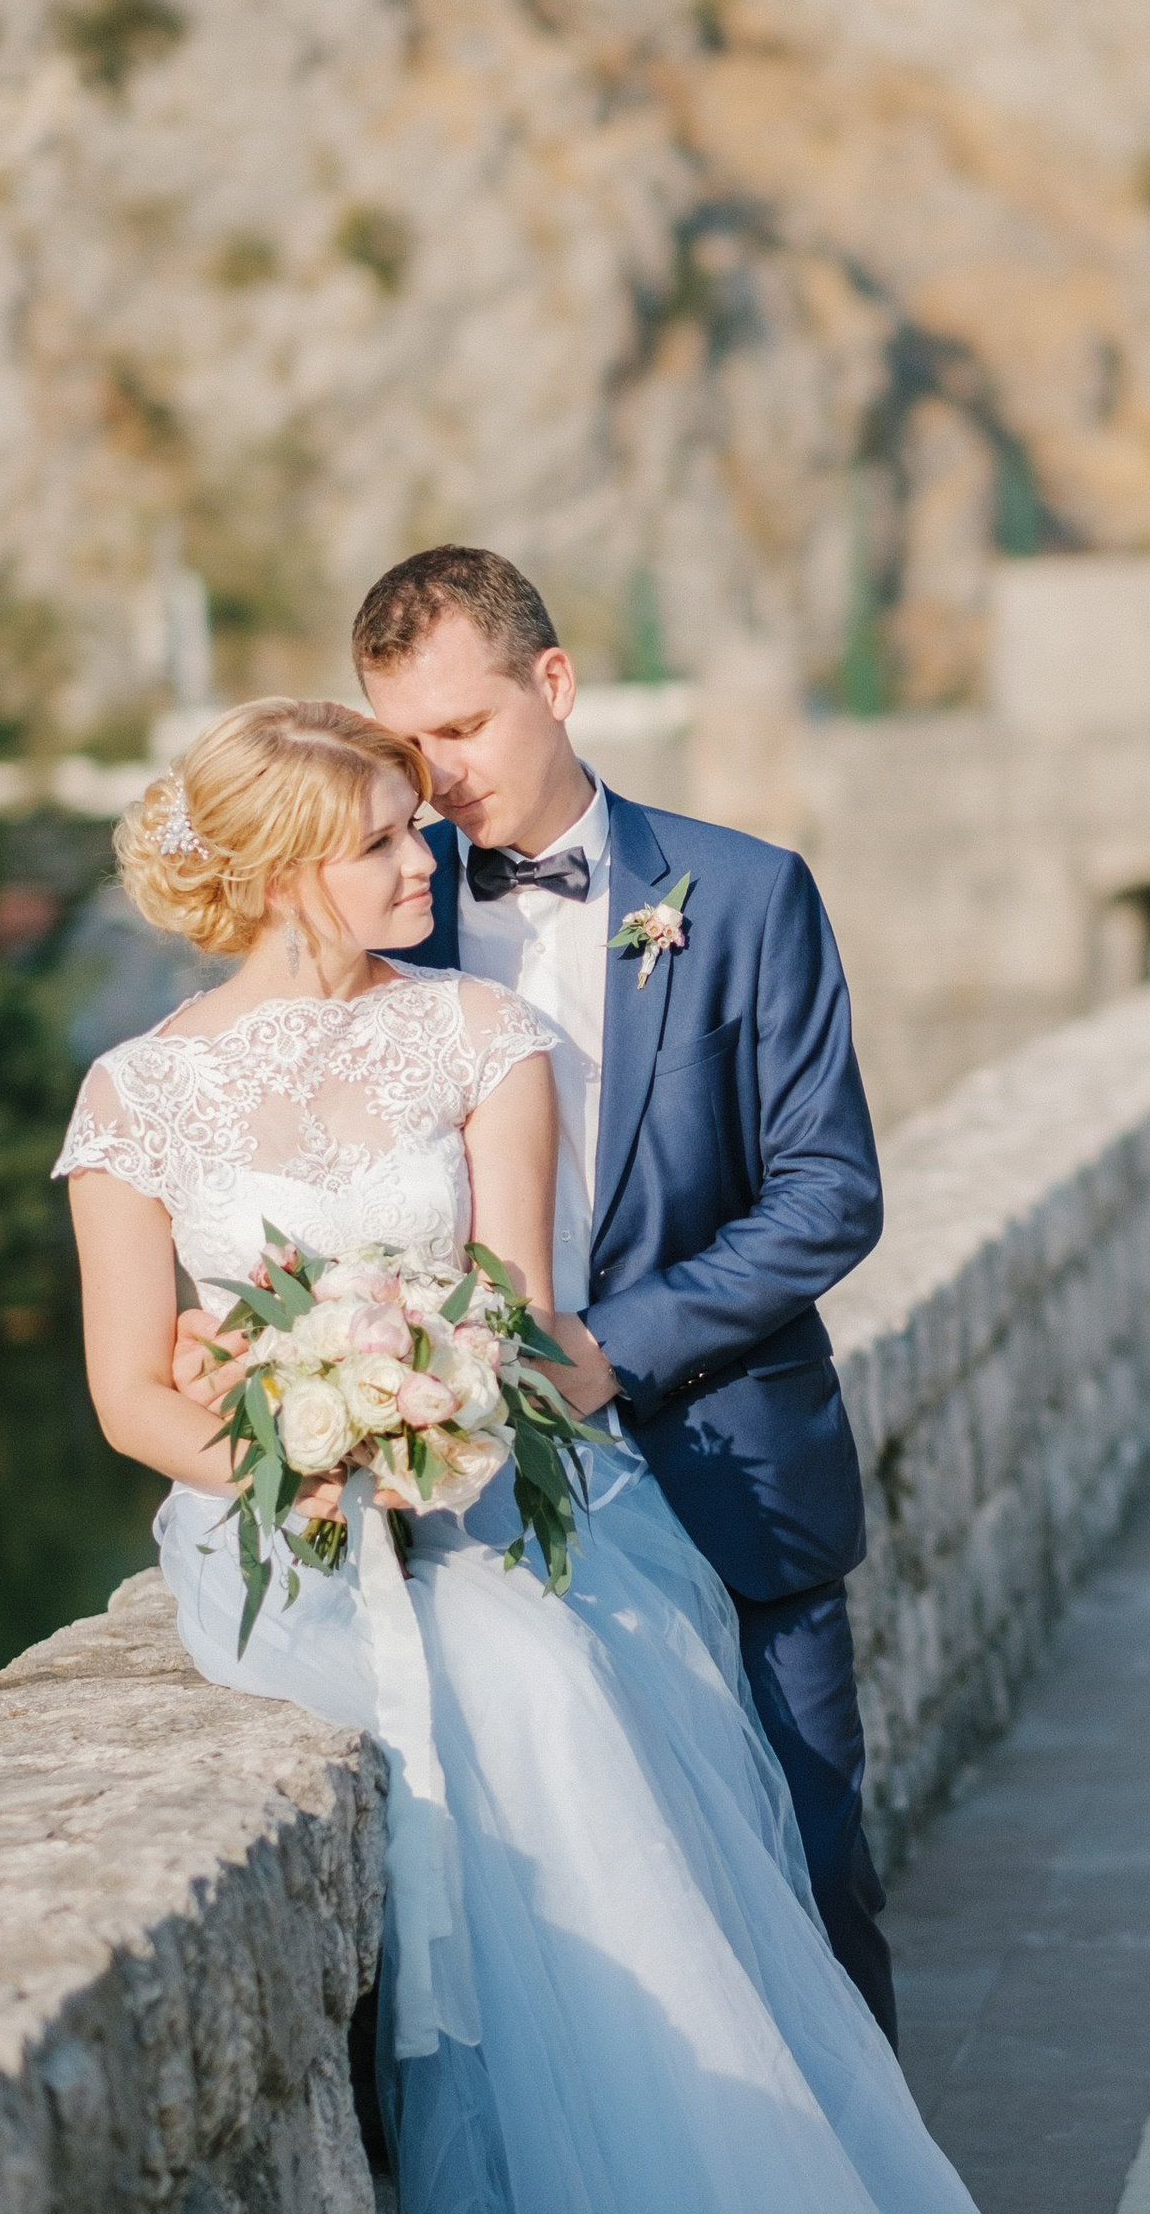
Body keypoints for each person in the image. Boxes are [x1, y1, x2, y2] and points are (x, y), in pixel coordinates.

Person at [60, 693, 1150, 2214]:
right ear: (278, 871)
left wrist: (423, 1425)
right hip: (280, 1547)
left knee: (538, 1693)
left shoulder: (486, 1039)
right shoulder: (137, 1097)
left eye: (427, 824)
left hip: (482, 1502)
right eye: (390, 840)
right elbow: (129, 1393)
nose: (433, 862)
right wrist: (304, 1468)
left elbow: (505, 1313)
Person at [346, 545, 901, 2045]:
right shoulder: (383, 929)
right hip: (480, 1517)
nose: (437, 779)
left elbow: (827, 1194)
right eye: (405, 747)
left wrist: (610, 1350)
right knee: (601, 1930)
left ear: (556, 683)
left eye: (462, 730)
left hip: (732, 1471)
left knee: (815, 1874)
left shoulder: (747, 891)